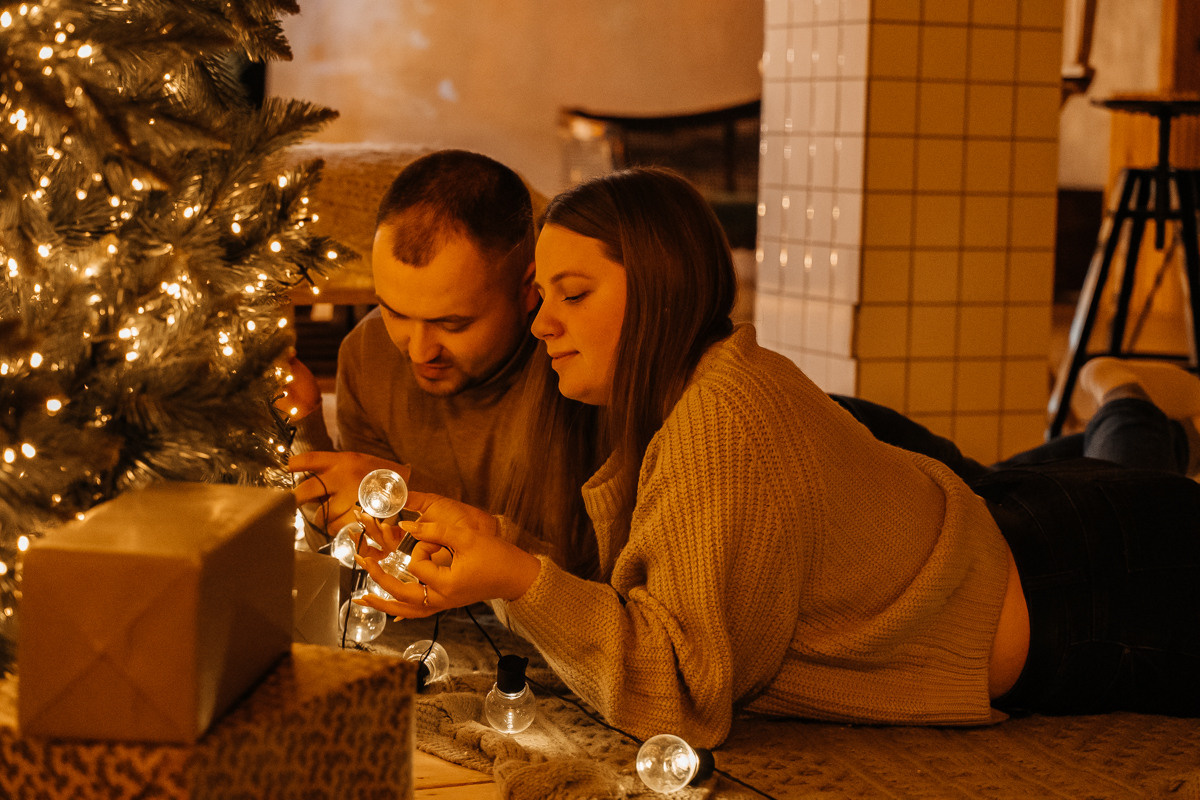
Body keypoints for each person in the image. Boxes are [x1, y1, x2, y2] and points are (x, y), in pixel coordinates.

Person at [354, 167, 1200, 748]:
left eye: (572, 296)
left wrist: (514, 578)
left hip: (1103, 590)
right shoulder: (674, 400)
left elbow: (680, 698)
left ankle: (1119, 393)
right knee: (1122, 468)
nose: (544, 325)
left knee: (1134, 478)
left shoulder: (719, 419)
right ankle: (1122, 401)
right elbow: (649, 598)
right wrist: (499, 540)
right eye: (545, 298)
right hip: (1024, 529)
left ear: (660, 288)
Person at [284, 150, 592, 570]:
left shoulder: (579, 365)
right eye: (394, 312)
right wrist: (305, 428)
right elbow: (366, 553)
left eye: (453, 324)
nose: (418, 351)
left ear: (527, 289)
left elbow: (596, 571)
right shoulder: (367, 352)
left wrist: (406, 496)